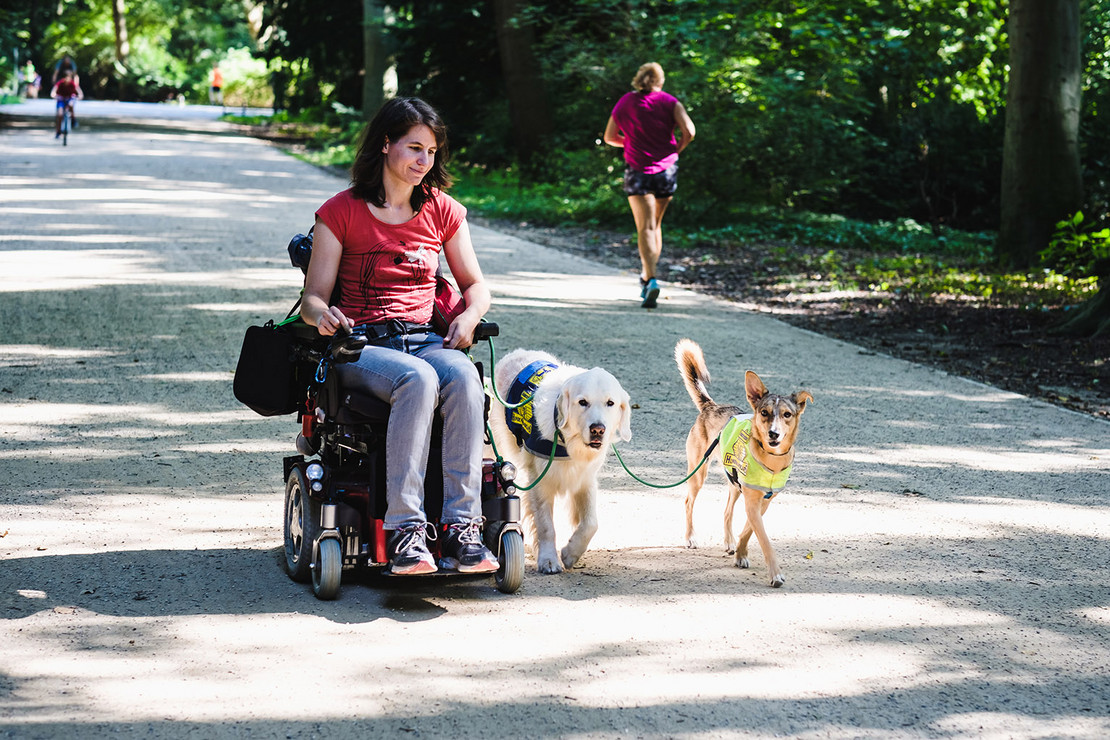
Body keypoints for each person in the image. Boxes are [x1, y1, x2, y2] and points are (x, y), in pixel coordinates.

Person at [301, 96, 499, 576]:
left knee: (465, 380)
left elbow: (477, 286)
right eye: (414, 148)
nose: (423, 162)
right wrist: (324, 316)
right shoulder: (340, 212)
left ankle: (461, 526)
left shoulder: (443, 211)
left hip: (424, 340)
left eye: (431, 152)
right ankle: (406, 531)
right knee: (418, 380)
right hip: (363, 346)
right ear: (385, 144)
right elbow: (312, 299)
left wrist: (470, 315)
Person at [603, 62, 696, 308]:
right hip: (666, 170)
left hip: (638, 170)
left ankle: (650, 279)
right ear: (661, 80)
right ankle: (649, 276)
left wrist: (632, 142)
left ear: (638, 79)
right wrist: (675, 150)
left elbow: (610, 137)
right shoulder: (670, 102)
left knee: (644, 227)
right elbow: (690, 131)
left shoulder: (625, 102)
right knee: (656, 225)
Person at [50, 69, 83, 138]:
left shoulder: (72, 83)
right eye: (66, 77)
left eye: (69, 77)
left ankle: (73, 119)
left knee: (71, 104)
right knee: (60, 115)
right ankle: (58, 131)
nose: (68, 79)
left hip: (70, 99)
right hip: (61, 99)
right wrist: (54, 95)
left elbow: (80, 93)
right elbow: (53, 92)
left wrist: (79, 96)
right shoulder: (60, 83)